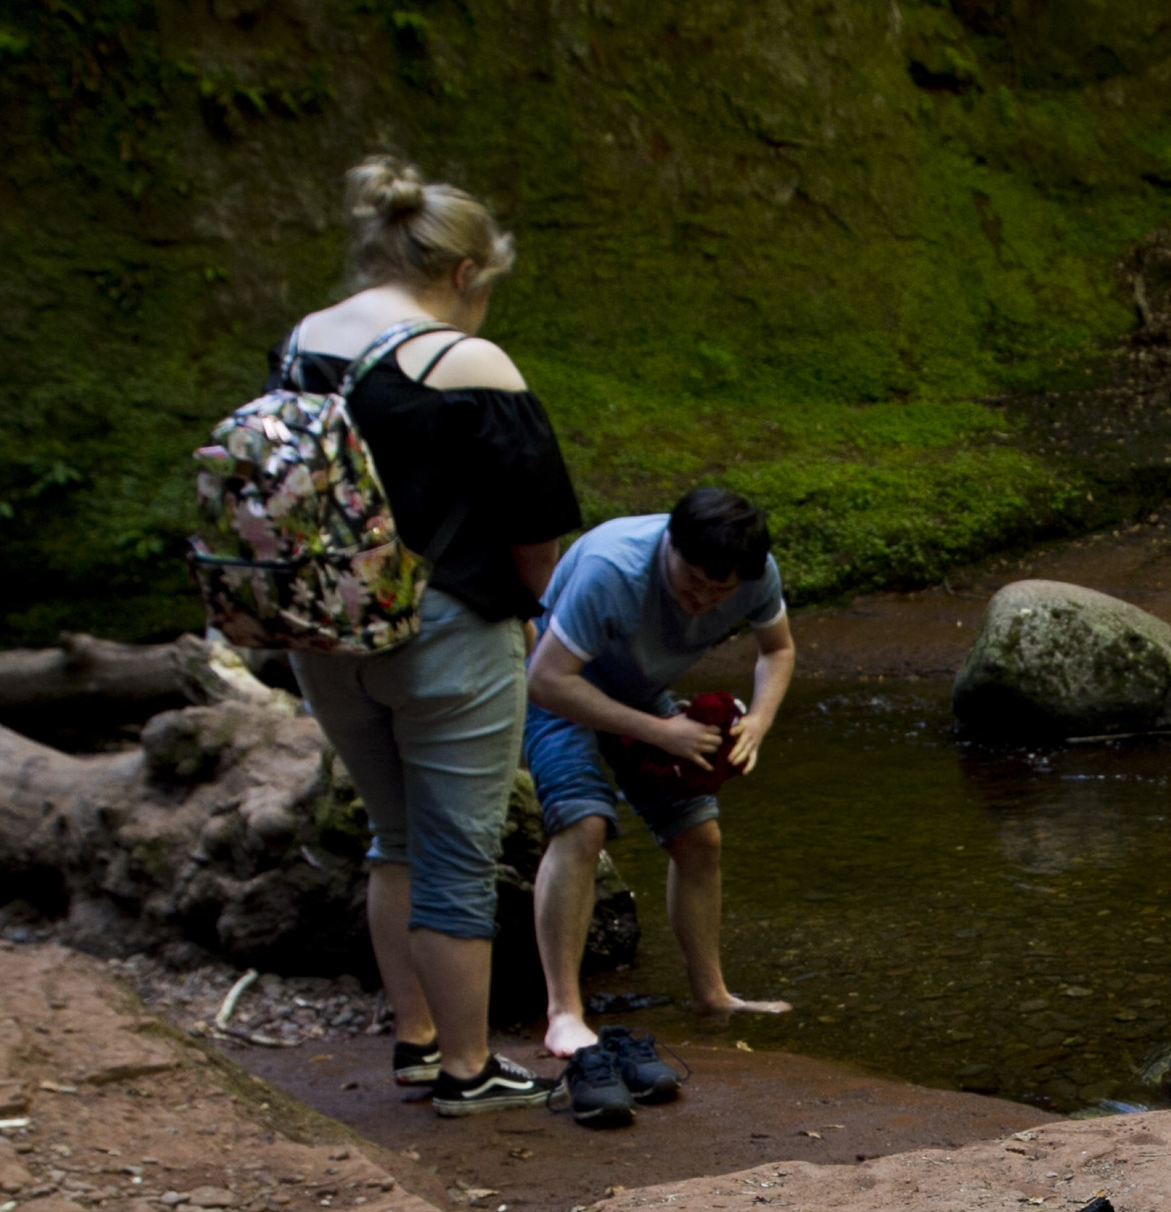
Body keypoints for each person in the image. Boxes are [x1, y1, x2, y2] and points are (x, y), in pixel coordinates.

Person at [277, 155, 585, 1116]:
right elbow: (537, 536)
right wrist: (549, 616)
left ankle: (413, 1042)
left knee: (392, 836)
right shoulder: (466, 361)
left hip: (325, 629)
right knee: (457, 851)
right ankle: (467, 1068)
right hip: (446, 634)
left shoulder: (305, 341)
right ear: (464, 275)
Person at [521, 487, 795, 1128]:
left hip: (642, 693)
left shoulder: (755, 572)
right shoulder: (611, 570)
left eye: (719, 594)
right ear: (669, 544)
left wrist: (758, 720)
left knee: (700, 837)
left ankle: (713, 996)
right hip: (564, 689)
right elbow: (544, 678)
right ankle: (565, 1012)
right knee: (585, 825)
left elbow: (777, 651)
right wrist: (658, 732)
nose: (702, 601)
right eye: (692, 583)